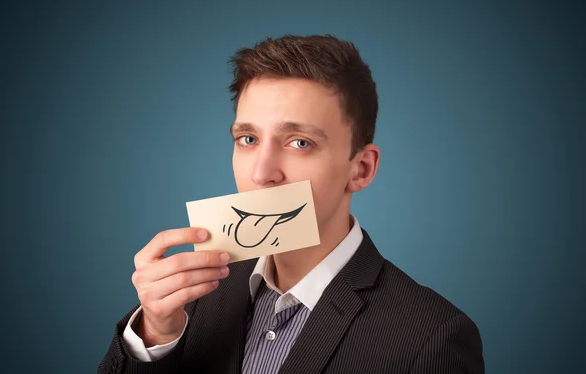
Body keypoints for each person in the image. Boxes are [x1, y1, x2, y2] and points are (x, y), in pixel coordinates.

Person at [98, 34, 485, 374]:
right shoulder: (194, 299)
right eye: (247, 139)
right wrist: (155, 336)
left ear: (361, 170)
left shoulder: (432, 338)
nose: (262, 173)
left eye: (300, 142)